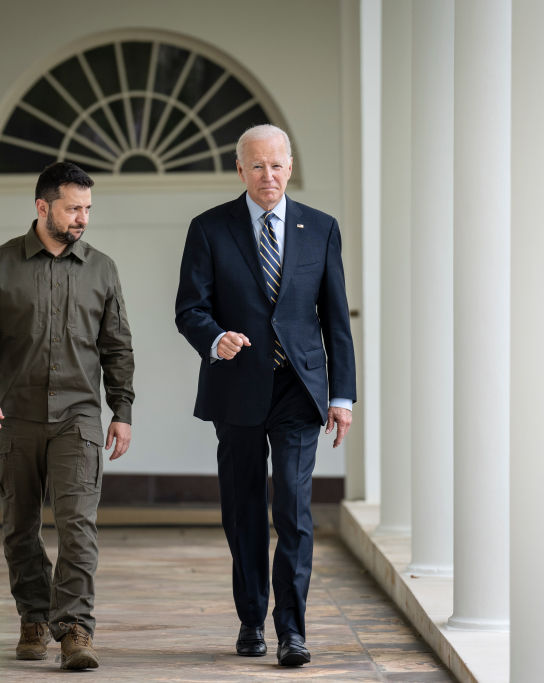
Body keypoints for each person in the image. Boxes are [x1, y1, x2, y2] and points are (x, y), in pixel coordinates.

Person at [174, 124, 357, 667]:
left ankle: (292, 631)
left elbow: (335, 319)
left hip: (300, 390)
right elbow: (189, 308)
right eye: (257, 166)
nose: (267, 175)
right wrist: (214, 337)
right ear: (240, 170)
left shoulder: (320, 229)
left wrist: (341, 396)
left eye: (276, 165)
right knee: (244, 509)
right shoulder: (209, 229)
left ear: (290, 166)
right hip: (237, 388)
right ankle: (251, 619)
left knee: (295, 513)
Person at [0, 161, 134, 671]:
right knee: (20, 527)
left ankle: (76, 628)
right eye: (73, 208)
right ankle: (34, 617)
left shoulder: (102, 268)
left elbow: (117, 345)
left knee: (78, 526)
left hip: (78, 416)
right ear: (42, 207)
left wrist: (121, 409)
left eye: (87, 209)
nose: (82, 218)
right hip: (14, 418)